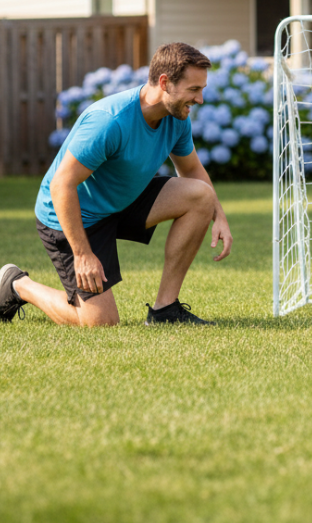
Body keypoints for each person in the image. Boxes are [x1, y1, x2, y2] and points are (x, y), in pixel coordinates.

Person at [0, 42, 233, 327]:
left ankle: (165, 310)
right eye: (194, 90)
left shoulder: (176, 118)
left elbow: (193, 170)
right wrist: (83, 254)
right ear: (164, 83)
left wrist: (218, 215)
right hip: (72, 215)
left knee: (200, 195)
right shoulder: (110, 121)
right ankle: (17, 284)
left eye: (202, 90)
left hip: (122, 200)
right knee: (100, 323)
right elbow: (61, 185)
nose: (200, 100)